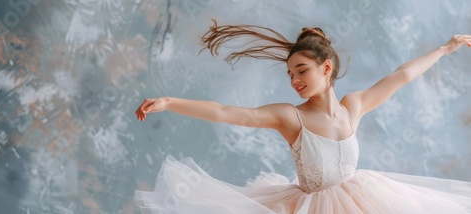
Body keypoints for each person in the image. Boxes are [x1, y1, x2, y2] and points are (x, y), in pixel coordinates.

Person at [133, 18, 471, 213]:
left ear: (326, 68)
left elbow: (402, 75)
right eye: (290, 74)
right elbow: (231, 113)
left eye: (301, 71)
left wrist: (445, 48)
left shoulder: (353, 106)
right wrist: (171, 101)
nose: (294, 81)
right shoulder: (290, 117)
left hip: (364, 201)